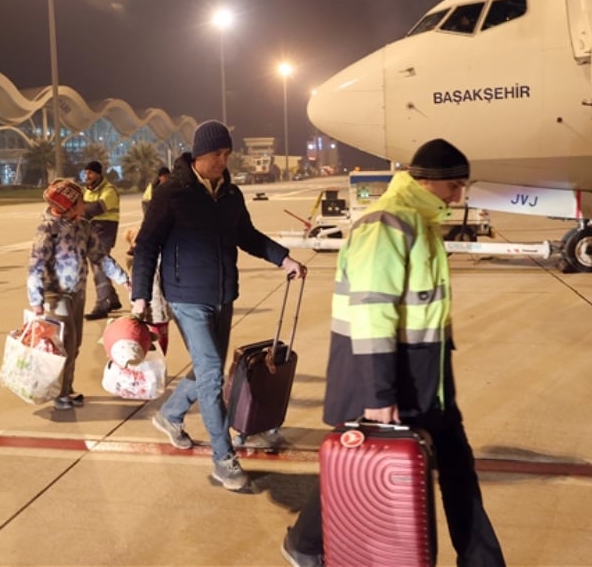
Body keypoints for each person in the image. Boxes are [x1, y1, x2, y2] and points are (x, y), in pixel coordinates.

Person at [281, 139, 505, 567]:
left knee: (456, 470)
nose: (459, 196)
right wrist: (379, 395)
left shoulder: (420, 221)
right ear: (428, 182)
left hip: (428, 380)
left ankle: (482, 562)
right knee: (361, 466)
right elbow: (372, 315)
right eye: (454, 186)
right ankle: (306, 544)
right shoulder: (386, 225)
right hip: (389, 380)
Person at [130, 120, 306, 492]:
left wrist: (284, 259)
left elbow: (247, 236)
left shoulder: (231, 195)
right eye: (216, 155)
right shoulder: (172, 194)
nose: (222, 161)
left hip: (223, 296)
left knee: (207, 370)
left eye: (226, 154)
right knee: (211, 377)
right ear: (198, 154)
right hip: (186, 296)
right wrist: (140, 296)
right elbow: (146, 246)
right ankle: (224, 460)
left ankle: (170, 414)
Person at [28, 179, 130, 410]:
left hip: (78, 293)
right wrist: (36, 301)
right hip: (56, 296)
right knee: (63, 344)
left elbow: (100, 256)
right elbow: (36, 265)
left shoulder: (82, 226)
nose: (84, 204)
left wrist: (124, 280)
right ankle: (59, 393)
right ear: (67, 205)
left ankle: (67, 388)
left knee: (75, 344)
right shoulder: (48, 229)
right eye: (79, 201)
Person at [81, 161, 122, 319]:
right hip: (91, 230)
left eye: (90, 173)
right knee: (100, 265)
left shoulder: (109, 190)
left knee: (99, 266)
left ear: (98, 174)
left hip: (105, 230)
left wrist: (82, 207)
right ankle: (112, 299)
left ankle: (102, 305)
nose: (87, 176)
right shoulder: (88, 191)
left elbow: (97, 208)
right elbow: (87, 208)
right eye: (86, 173)